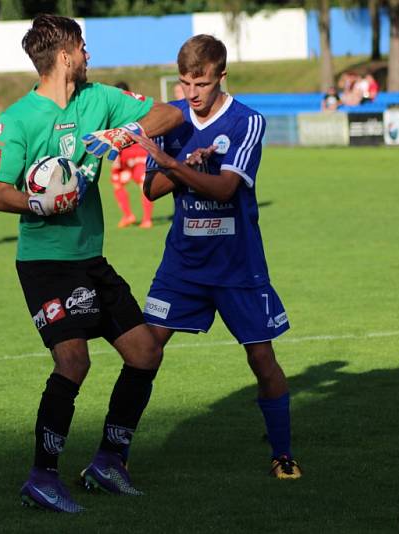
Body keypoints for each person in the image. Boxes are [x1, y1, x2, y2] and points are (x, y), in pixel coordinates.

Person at [0, 14, 183, 513]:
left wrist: (126, 134)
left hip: (91, 258)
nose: (89, 55)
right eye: (83, 47)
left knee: (145, 353)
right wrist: (38, 203)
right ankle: (42, 476)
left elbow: (170, 114)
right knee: (73, 361)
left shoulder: (98, 99)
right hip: (45, 263)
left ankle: (110, 462)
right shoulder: (17, 119)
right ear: (65, 55)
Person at [130, 34, 302, 481]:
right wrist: (181, 161)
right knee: (145, 350)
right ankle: (115, 453)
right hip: (182, 264)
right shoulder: (171, 119)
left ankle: (282, 454)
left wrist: (176, 166)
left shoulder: (247, 122)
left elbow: (227, 188)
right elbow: (150, 190)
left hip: (236, 265)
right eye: (185, 83)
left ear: (221, 76)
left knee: (261, 359)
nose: (191, 94)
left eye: (200, 83)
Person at [110, 81, 154, 228]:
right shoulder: (113, 111)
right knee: (117, 182)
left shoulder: (137, 108)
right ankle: (128, 215)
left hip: (139, 155)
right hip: (124, 157)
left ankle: (147, 219)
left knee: (144, 185)